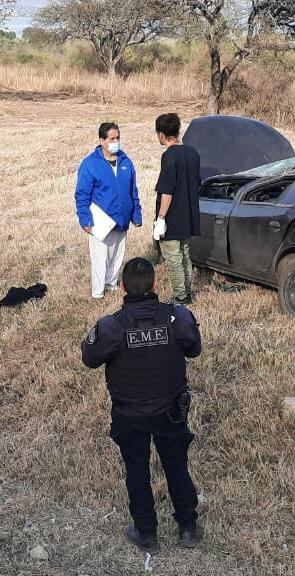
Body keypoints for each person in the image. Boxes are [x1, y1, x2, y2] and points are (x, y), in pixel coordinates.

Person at [81, 257, 204, 554]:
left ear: (123, 286)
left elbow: (89, 358)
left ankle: (146, 533)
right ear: (155, 284)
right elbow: (195, 349)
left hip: (129, 414)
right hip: (170, 412)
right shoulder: (177, 317)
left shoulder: (111, 326)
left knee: (137, 471)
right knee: (176, 466)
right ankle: (187, 527)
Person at [75, 122, 142, 299]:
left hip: (122, 219)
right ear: (102, 141)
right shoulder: (90, 164)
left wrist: (136, 214)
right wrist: (85, 219)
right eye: (112, 138)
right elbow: (82, 194)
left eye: (118, 138)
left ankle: (111, 283)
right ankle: (98, 292)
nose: (116, 141)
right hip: (100, 221)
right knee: (100, 257)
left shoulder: (126, 162)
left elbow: (133, 190)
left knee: (117, 254)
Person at [153, 113, 201, 305]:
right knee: (185, 255)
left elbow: (167, 191)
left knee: (173, 257)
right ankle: (188, 291)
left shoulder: (169, 156)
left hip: (172, 216)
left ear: (162, 135)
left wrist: (161, 218)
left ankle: (181, 296)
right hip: (188, 213)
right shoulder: (193, 153)